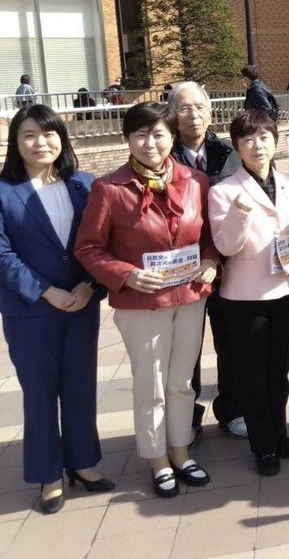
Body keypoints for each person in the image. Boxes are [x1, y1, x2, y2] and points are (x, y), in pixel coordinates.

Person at [75, 102, 220, 498]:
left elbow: (209, 236)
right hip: (142, 304)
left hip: (189, 296)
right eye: (140, 134)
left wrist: (211, 261)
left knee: (181, 382)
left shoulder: (195, 180)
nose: (150, 143)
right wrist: (126, 274)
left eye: (158, 133)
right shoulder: (109, 189)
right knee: (151, 385)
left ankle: (181, 452)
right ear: (128, 139)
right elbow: (88, 248)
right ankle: (157, 459)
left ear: (172, 137)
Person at [0, 105, 113, 514]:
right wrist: (46, 291)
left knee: (80, 384)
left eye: (48, 133)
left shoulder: (85, 184)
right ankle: (48, 474)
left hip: (80, 303)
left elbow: (103, 241)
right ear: (15, 142)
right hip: (31, 310)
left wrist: (90, 285)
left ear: (62, 138)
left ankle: (82, 462)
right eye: (29, 135)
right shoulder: (4, 191)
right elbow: (2, 254)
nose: (40, 143)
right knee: (40, 390)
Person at [208, 109, 289, 476]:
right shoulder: (223, 191)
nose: (257, 146)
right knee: (251, 375)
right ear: (237, 146)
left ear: (275, 140)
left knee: (278, 371)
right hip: (244, 298)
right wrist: (238, 213)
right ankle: (263, 446)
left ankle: (281, 435)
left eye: (264, 137)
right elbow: (226, 246)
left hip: (285, 290)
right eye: (248, 139)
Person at [167, 82, 243, 441]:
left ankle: (232, 409)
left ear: (211, 112)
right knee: (186, 348)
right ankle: (189, 417)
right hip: (183, 270)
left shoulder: (230, 153)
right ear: (173, 115)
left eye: (200, 106)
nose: (193, 115)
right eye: (184, 108)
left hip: (228, 266)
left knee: (231, 342)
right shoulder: (163, 156)